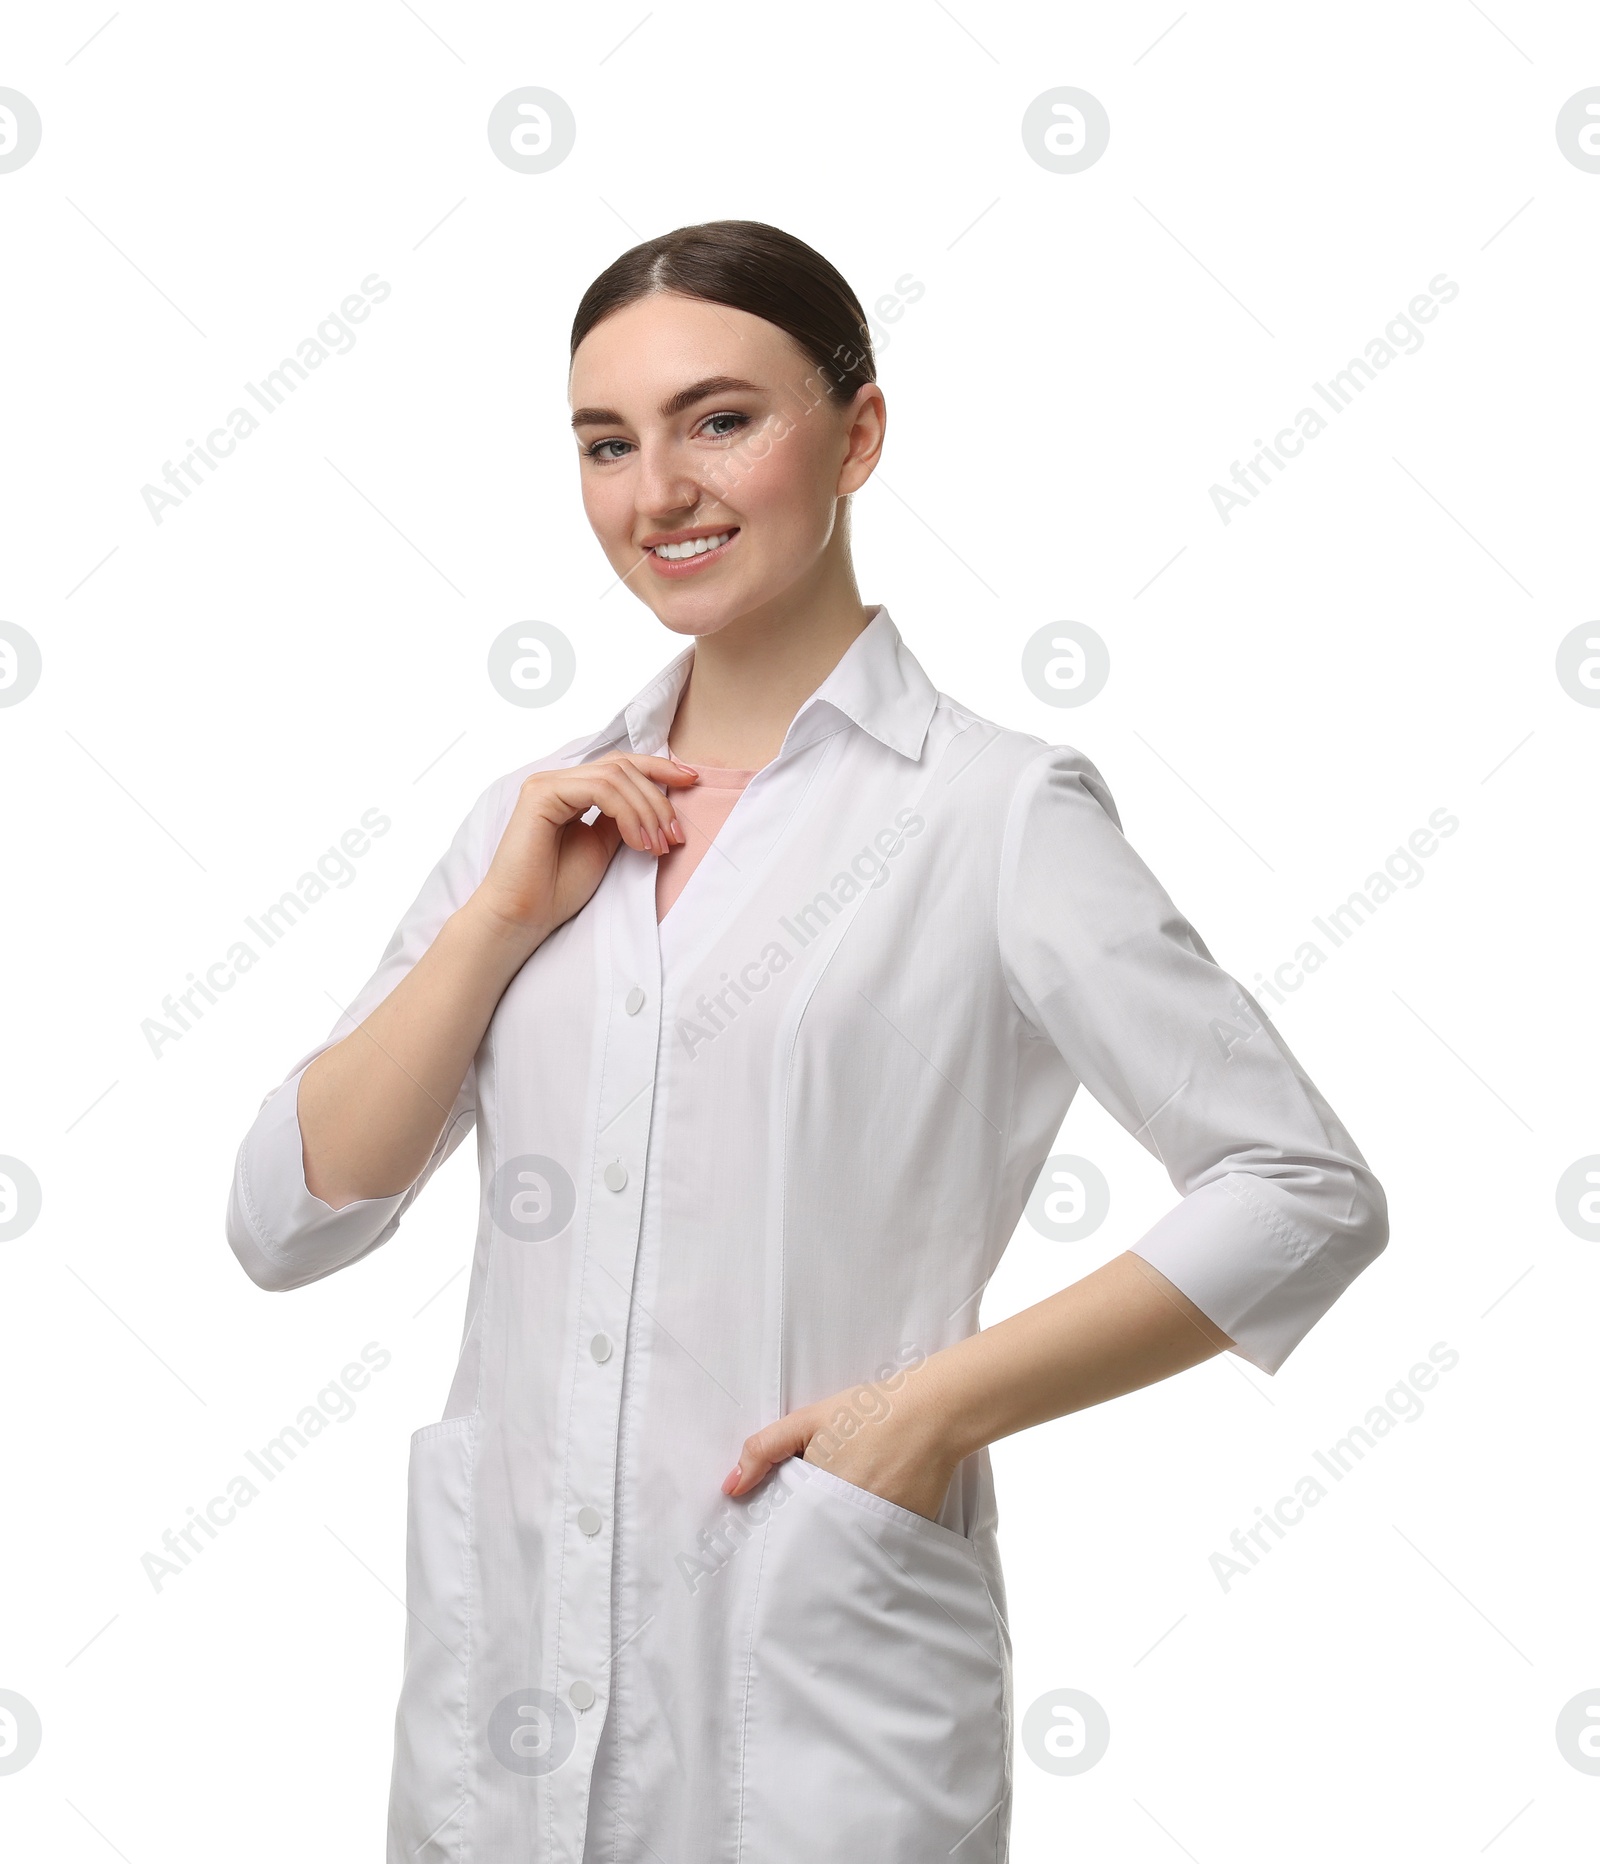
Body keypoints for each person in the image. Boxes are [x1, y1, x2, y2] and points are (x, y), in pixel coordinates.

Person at [224, 219, 1388, 1863]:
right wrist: (495, 925)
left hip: (816, 1703)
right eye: (605, 444)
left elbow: (1300, 1186)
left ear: (858, 435)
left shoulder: (990, 812)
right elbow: (286, 1221)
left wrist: (925, 1413)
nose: (658, 494)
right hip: (501, 1718)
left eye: (721, 421)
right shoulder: (532, 821)